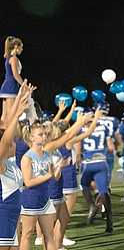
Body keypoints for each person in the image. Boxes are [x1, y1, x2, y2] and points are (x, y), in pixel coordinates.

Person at [19, 105, 89, 250]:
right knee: (27, 233)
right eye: (40, 135)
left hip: (46, 199)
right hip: (30, 199)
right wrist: (49, 175)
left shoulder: (46, 153)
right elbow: (28, 182)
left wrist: (57, 170)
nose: (44, 136)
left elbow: (65, 137)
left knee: (48, 234)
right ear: (32, 137)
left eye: (44, 134)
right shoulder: (28, 157)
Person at [0, 81, 31, 250]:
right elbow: (5, 138)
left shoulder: (10, 162)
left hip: (12, 216)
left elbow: (8, 124)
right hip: (3, 216)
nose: (14, 143)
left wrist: (20, 97)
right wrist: (18, 111)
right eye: (11, 142)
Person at [1, 37, 24, 127]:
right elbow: (15, 75)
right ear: (15, 46)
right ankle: (8, 139)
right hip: (11, 88)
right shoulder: (13, 58)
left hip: (6, 88)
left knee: (4, 116)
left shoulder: (8, 57)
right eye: (21, 47)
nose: (22, 49)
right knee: (11, 116)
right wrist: (24, 85)